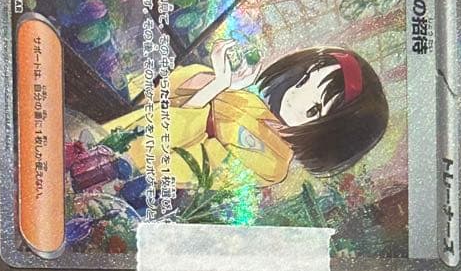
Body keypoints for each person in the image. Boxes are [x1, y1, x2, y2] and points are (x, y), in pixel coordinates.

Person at [95, 39, 389, 189]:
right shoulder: (253, 104)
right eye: (303, 80)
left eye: (313, 109)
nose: (293, 95)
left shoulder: (269, 164)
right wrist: (216, 81)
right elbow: (156, 93)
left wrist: (216, 87)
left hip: (113, 171)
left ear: (328, 136)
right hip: (109, 134)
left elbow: (158, 163)